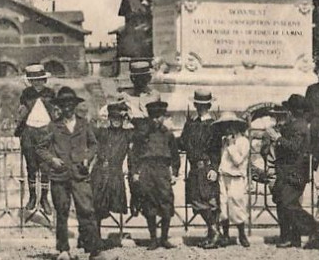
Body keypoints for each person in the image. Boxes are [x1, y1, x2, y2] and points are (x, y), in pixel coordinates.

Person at [38, 87, 116, 260]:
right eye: (64, 105)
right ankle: (63, 250)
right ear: (59, 107)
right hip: (60, 176)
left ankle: (94, 252)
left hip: (80, 175)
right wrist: (52, 160)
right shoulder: (53, 126)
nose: (67, 108)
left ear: (75, 106)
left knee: (87, 212)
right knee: (62, 212)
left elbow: (94, 145)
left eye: (70, 105)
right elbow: (40, 148)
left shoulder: (84, 124)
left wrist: (88, 159)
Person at [264, 95, 314, 249]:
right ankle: (292, 238)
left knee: (288, 204)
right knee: (282, 202)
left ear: (293, 111)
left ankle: (315, 227)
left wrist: (278, 138)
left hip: (295, 173)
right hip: (286, 172)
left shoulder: (300, 126)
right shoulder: (293, 125)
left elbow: (295, 147)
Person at [130, 100, 180, 250]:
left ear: (163, 117)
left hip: (163, 170)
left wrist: (175, 173)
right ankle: (153, 239)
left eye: (159, 117)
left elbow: (175, 156)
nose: (156, 120)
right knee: (149, 204)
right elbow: (134, 155)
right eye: (153, 117)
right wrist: (134, 172)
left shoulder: (169, 135)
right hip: (147, 170)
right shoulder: (142, 134)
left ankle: (164, 238)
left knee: (166, 203)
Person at [179, 89, 221, 248]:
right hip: (194, 168)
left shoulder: (213, 126)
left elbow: (217, 149)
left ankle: (214, 233)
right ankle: (213, 232)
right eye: (198, 105)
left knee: (209, 201)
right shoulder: (191, 124)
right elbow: (182, 143)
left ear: (209, 105)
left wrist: (214, 169)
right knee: (196, 200)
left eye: (204, 105)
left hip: (206, 167)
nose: (200, 108)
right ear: (195, 105)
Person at [14, 63, 57, 220]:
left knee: (46, 166)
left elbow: (55, 113)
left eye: (40, 80)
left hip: (46, 132)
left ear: (44, 80)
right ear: (30, 82)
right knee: (31, 166)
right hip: (29, 132)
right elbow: (21, 112)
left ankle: (44, 199)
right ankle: (32, 197)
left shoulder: (51, 94)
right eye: (33, 80)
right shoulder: (26, 94)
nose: (37, 83)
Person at [91, 102, 131, 245]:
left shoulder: (127, 134)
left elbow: (142, 131)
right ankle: (95, 237)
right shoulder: (102, 132)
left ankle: (97, 237)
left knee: (107, 204)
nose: (116, 121)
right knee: (96, 205)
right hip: (100, 172)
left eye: (119, 118)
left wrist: (130, 117)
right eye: (113, 118)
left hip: (114, 173)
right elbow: (88, 131)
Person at [215, 112, 250, 248]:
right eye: (226, 127)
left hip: (236, 177)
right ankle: (225, 234)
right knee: (223, 205)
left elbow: (238, 160)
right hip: (224, 176)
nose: (228, 130)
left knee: (237, 204)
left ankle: (242, 234)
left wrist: (231, 146)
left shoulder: (243, 142)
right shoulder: (224, 141)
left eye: (230, 126)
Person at [118, 60, 160, 126]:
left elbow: (156, 118)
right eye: (136, 78)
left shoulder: (154, 95)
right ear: (131, 78)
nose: (139, 81)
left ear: (149, 78)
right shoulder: (125, 96)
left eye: (142, 78)